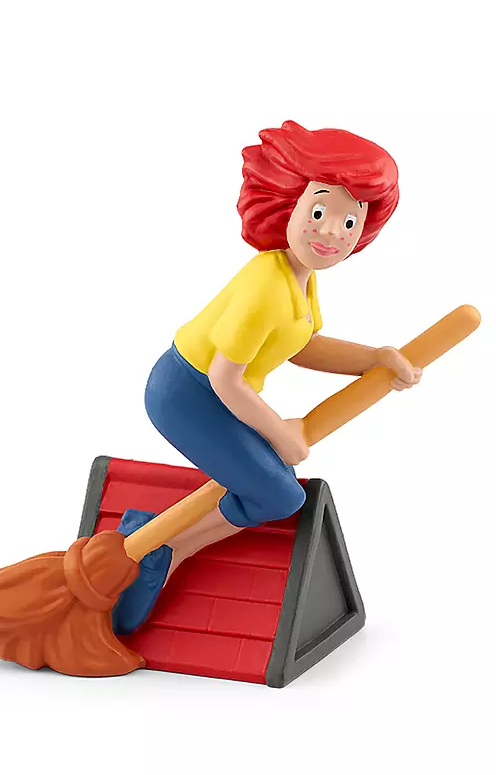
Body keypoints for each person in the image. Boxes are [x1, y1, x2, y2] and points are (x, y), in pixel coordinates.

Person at [112, 120, 421, 635]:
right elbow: (224, 378)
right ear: (288, 205)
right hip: (187, 394)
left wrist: (376, 357)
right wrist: (279, 432)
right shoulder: (267, 284)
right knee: (279, 496)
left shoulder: (298, 278)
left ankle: (161, 545)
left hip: (217, 395)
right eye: (319, 212)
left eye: (349, 222)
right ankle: (163, 549)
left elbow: (302, 347)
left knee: (271, 489)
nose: (331, 232)